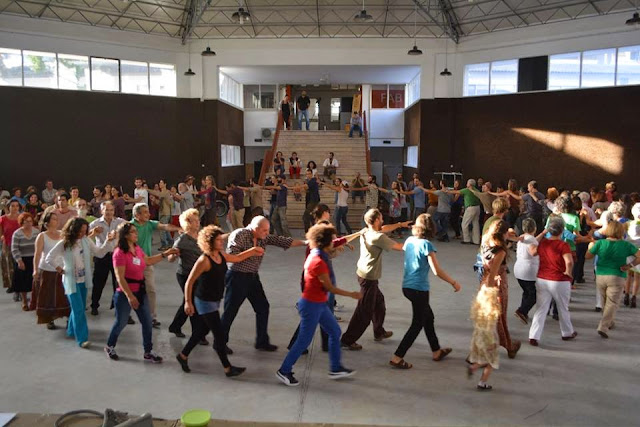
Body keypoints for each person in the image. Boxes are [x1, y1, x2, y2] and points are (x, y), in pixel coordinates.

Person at [277, 223, 362, 386]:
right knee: (303, 341)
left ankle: (335, 368)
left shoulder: (319, 254)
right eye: (332, 239)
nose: (334, 242)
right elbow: (329, 287)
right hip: (311, 306)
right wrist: (352, 294)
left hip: (320, 304)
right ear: (325, 242)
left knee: (335, 331)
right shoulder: (318, 261)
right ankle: (284, 370)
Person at [177, 225, 264, 376]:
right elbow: (189, 282)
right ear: (209, 242)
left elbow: (237, 258)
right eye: (218, 240)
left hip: (214, 300)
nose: (221, 242)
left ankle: (183, 355)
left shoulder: (221, 255)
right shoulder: (204, 260)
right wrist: (188, 302)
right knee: (219, 336)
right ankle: (227, 368)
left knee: (201, 331)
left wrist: (253, 251)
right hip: (204, 301)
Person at [218, 216, 306, 354]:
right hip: (237, 277)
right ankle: (220, 343)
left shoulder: (263, 236)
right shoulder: (239, 234)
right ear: (256, 228)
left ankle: (262, 341)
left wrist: (306, 242)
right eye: (264, 230)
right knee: (230, 311)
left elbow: (282, 241)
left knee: (263, 307)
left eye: (267, 230)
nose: (267, 233)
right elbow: (231, 257)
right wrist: (252, 251)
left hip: (252, 277)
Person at [389, 214, 460, 370]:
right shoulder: (427, 245)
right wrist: (453, 282)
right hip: (419, 289)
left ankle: (436, 351)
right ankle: (397, 357)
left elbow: (402, 249)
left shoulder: (409, 241)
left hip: (407, 287)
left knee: (428, 318)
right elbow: (436, 270)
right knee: (417, 324)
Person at [287, 204, 361, 353]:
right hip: (316, 278)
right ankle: (298, 344)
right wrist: (357, 234)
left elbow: (335, 242)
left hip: (317, 275)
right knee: (315, 314)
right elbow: (336, 243)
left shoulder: (318, 233)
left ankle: (326, 343)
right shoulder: (321, 233)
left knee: (325, 311)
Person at [104, 223, 178, 362]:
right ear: (126, 235)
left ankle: (148, 351)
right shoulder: (119, 253)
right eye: (133, 232)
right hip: (125, 294)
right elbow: (120, 278)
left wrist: (165, 254)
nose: (136, 233)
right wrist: (130, 296)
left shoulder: (137, 248)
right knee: (121, 322)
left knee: (147, 321)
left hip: (140, 291)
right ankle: (110, 346)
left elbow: (148, 261)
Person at [340, 209, 411, 350]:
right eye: (381, 218)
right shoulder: (378, 237)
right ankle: (347, 340)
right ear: (377, 220)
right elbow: (400, 247)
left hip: (363, 273)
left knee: (379, 303)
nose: (383, 220)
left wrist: (400, 224)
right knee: (364, 312)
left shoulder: (366, 230)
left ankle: (379, 331)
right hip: (369, 278)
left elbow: (384, 228)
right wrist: (417, 239)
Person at [45, 217, 116, 348]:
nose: (83, 233)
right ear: (73, 230)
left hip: (83, 279)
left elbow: (99, 253)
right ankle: (82, 339)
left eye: (85, 231)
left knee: (79, 308)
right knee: (79, 310)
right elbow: (49, 258)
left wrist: (107, 242)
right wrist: (59, 268)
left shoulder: (86, 240)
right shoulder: (64, 243)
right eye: (80, 231)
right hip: (70, 280)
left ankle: (71, 330)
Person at [528, 216, 577, 346]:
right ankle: (567, 332)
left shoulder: (543, 243)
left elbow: (532, 252)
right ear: (562, 230)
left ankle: (534, 335)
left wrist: (536, 238)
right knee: (563, 308)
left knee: (541, 308)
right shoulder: (563, 245)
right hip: (559, 280)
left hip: (542, 278)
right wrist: (568, 272)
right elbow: (569, 261)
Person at [586, 221, 639, 338]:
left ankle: (609, 322)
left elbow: (588, 256)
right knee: (612, 303)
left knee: (605, 301)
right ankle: (603, 326)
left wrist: (590, 247)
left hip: (600, 275)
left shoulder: (600, 243)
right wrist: (629, 266)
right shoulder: (626, 245)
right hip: (617, 275)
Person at [131, 203, 181, 328]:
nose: (149, 214)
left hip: (147, 262)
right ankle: (125, 313)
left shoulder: (150, 224)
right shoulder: (130, 226)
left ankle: (152, 317)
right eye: (145, 212)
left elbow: (164, 226)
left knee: (151, 290)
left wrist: (177, 229)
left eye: (148, 212)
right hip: (131, 264)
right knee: (130, 290)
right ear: (137, 215)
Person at [480, 220, 521, 358]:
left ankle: (505, 345)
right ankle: (502, 346)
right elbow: (494, 274)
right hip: (497, 284)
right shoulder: (500, 251)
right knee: (499, 316)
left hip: (484, 280)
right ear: (502, 234)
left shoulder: (485, 239)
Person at [168, 209, 206, 342]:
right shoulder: (182, 240)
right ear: (188, 223)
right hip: (185, 275)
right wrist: (174, 255)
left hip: (199, 274)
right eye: (195, 221)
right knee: (193, 302)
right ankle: (198, 335)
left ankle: (175, 326)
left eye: (198, 220)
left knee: (188, 301)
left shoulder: (201, 236)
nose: (198, 223)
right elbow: (170, 259)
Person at [31, 212, 70, 329]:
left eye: (56, 219)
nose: (56, 221)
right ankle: (50, 319)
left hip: (62, 269)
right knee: (48, 296)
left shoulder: (62, 234)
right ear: (47, 222)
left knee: (63, 295)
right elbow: (37, 254)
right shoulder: (42, 236)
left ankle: (68, 318)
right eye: (53, 219)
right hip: (47, 269)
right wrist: (35, 270)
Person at [89, 201, 126, 316]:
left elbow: (129, 230)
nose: (109, 212)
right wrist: (94, 232)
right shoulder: (95, 223)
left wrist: (119, 235)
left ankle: (118, 307)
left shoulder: (120, 222)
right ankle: (94, 305)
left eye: (111, 210)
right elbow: (86, 238)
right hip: (102, 256)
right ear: (101, 211)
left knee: (119, 283)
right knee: (98, 283)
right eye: (106, 210)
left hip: (117, 256)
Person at [467, 283, 501, 391]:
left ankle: (473, 367)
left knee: (484, 359)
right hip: (488, 342)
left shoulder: (479, 312)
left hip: (478, 339)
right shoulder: (490, 316)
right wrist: (493, 343)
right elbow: (490, 332)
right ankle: (482, 382)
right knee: (490, 363)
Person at [513, 218, 543, 324]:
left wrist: (543, 233)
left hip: (518, 269)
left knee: (526, 292)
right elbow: (533, 251)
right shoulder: (531, 240)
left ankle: (523, 312)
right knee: (534, 295)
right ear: (534, 228)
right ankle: (522, 310)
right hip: (528, 271)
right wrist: (544, 248)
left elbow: (533, 241)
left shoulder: (523, 237)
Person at [11, 213, 39, 311]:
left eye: (30, 221)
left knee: (35, 281)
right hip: (22, 259)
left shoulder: (36, 232)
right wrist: (19, 261)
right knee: (23, 281)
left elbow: (40, 246)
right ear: (22, 222)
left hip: (34, 259)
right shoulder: (17, 233)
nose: (29, 223)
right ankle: (24, 301)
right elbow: (14, 249)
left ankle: (34, 301)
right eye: (26, 222)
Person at [447, 179, 481, 245]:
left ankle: (466, 239)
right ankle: (476, 240)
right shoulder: (477, 190)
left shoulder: (467, 190)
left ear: (469, 184)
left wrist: (447, 191)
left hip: (470, 208)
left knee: (464, 224)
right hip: (477, 207)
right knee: (475, 224)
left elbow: (457, 192)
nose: (466, 184)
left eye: (467, 183)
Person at [1, 199, 21, 296]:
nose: (15, 208)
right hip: (8, 244)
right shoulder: (3, 219)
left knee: (19, 267)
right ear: (8, 207)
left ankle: (19, 287)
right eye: (12, 206)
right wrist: (2, 239)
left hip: (20, 246)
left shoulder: (22, 217)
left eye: (17, 206)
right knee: (9, 266)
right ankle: (12, 285)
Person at [147, 179, 173, 251]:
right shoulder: (163, 193)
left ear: (165, 184)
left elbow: (158, 194)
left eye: (161, 183)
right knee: (165, 229)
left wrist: (147, 190)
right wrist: (154, 200)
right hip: (162, 213)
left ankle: (164, 245)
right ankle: (170, 243)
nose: (159, 184)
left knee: (162, 229)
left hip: (165, 213)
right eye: (159, 183)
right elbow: (160, 203)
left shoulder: (166, 192)